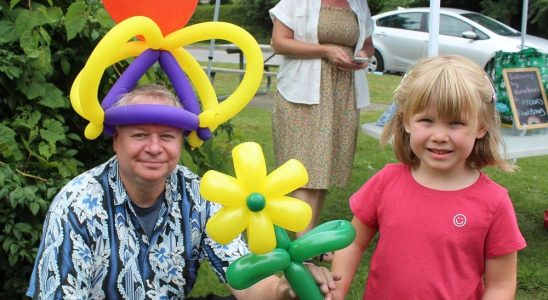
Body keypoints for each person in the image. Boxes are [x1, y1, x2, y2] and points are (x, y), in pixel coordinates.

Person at [26, 84, 340, 300]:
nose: (153, 148)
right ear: (115, 141)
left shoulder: (197, 194)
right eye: (139, 135)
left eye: (166, 136)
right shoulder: (78, 203)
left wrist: (288, 287)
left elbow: (244, 280)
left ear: (179, 143)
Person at [331, 55, 527, 299]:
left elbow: (501, 285)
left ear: (481, 127)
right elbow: (353, 242)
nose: (439, 135)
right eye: (427, 120)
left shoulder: (494, 203)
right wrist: (337, 289)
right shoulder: (386, 182)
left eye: (455, 123)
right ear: (406, 121)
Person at [269, 0, 375, 260]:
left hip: (341, 92)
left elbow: (368, 43)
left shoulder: (357, 3)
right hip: (303, 90)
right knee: (305, 167)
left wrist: (363, 56)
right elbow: (279, 42)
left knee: (324, 166)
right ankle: (303, 246)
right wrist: (325, 50)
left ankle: (310, 237)